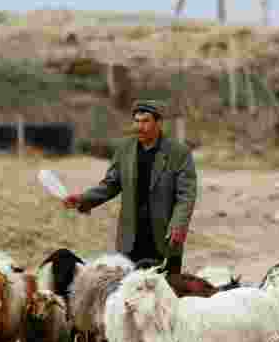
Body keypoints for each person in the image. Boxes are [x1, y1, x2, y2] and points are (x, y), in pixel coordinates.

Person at [63, 99, 197, 275]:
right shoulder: (125, 149)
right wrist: (83, 199)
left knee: (166, 291)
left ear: (158, 122)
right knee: (130, 291)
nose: (139, 126)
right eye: (137, 121)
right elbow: (111, 184)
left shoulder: (179, 153)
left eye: (145, 121)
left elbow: (186, 195)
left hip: (164, 236)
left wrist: (179, 225)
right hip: (131, 237)